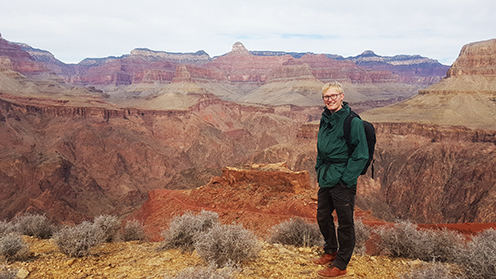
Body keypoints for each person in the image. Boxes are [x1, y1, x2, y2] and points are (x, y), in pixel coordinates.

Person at [313, 82, 369, 277]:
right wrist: (319, 168)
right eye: (326, 97)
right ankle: (331, 250)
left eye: (333, 95)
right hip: (327, 176)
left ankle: (341, 264)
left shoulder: (352, 121)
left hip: (343, 179)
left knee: (345, 223)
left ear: (342, 96)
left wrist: (346, 180)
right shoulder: (325, 119)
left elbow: (361, 154)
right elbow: (321, 147)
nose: (330, 99)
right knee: (322, 215)